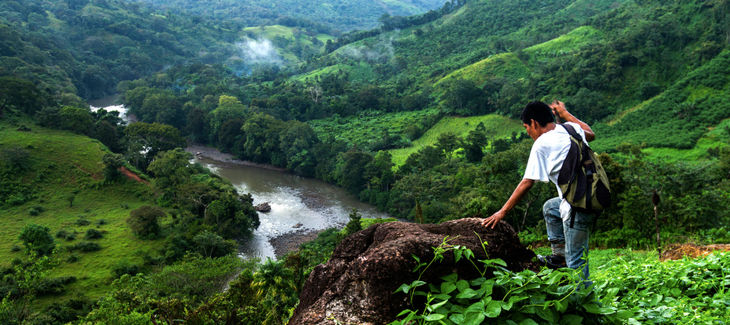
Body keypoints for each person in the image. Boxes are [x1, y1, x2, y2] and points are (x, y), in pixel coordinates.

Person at [482, 100, 596, 282]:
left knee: (577, 266)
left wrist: (501, 212)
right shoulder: (569, 129)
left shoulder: (542, 143)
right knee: (551, 207)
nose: (527, 132)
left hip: (577, 206)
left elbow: (527, 182)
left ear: (534, 123)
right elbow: (590, 134)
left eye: (526, 127)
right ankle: (559, 258)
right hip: (593, 195)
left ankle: (585, 305)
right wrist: (565, 114)